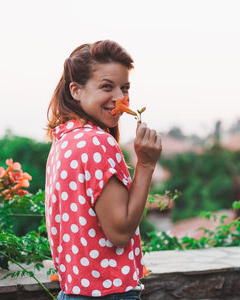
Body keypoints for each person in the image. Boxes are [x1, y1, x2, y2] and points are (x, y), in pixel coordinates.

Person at [45, 40, 162, 299]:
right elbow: (120, 232)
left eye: (124, 88)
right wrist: (145, 165)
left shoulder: (64, 140)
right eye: (107, 87)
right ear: (76, 90)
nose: (120, 99)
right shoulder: (97, 142)